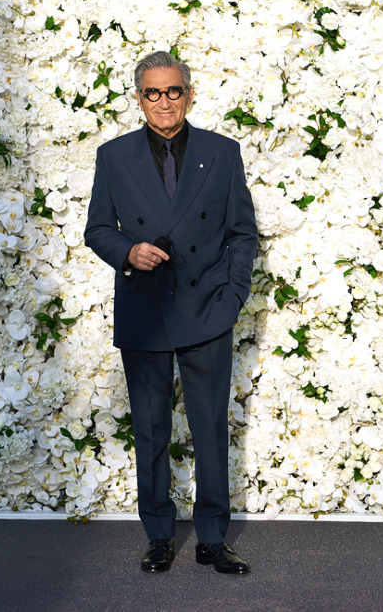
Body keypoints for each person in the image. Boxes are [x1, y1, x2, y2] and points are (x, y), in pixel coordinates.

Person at [84, 51, 258, 574]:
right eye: (153, 93)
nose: (165, 102)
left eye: (174, 91)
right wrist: (127, 252)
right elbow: (97, 230)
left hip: (207, 308)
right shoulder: (113, 156)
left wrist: (231, 297)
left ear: (189, 94)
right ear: (139, 98)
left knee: (209, 427)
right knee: (153, 429)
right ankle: (159, 536)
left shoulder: (223, 153)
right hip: (145, 306)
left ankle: (212, 538)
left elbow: (242, 233)